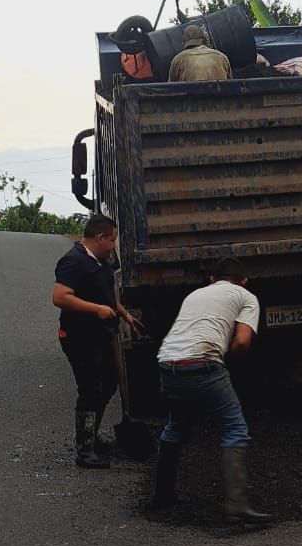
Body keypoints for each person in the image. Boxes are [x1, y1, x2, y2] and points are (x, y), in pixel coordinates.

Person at [152, 257, 273, 526]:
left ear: (211, 279)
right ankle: (237, 506)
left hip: (167, 365)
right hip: (203, 365)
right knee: (235, 429)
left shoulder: (195, 294)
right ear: (243, 281)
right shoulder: (246, 296)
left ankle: (162, 495)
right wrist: (231, 362)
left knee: (176, 425)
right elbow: (242, 342)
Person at [53, 215, 140, 468]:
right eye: (112, 241)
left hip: (100, 336)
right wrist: (96, 310)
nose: (113, 246)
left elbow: (106, 296)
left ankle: (93, 436)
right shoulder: (73, 261)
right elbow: (59, 297)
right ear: (100, 238)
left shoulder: (101, 262)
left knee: (108, 383)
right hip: (79, 337)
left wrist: (124, 315)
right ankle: (84, 451)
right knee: (89, 389)